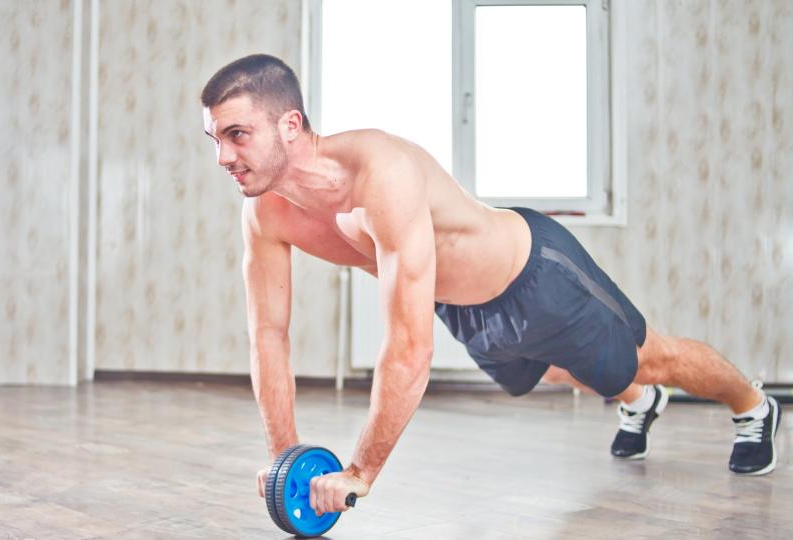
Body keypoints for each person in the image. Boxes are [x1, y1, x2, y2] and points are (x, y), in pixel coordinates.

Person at [199, 54, 782, 516]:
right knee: (551, 369)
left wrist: (360, 472)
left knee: (652, 358)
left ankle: (753, 406)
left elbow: (407, 349)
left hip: (533, 274)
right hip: (463, 306)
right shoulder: (265, 213)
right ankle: (637, 402)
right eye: (215, 140)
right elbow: (269, 336)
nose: (224, 155)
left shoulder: (382, 173)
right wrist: (283, 459)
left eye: (237, 134)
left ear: (290, 124)